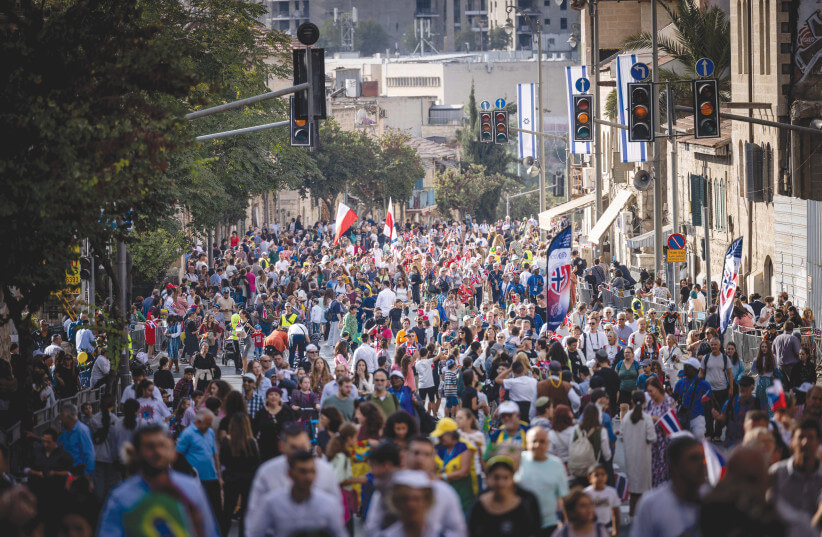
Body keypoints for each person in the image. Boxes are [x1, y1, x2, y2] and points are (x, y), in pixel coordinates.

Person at [97, 424, 220, 537]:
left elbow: (209, 532)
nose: (157, 452)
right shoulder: (121, 497)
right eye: (150, 447)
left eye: (162, 445)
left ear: (172, 451)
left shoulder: (191, 489)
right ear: (136, 454)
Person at [246, 425, 341, 517]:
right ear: (281, 447)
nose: (298, 452)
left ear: (309, 446)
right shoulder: (266, 473)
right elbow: (255, 511)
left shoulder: (326, 471)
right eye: (293, 448)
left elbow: (335, 507)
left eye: (302, 448)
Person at [631, 435, 705, 537]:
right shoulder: (651, 505)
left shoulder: (713, 499)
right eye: (693, 459)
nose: (701, 464)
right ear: (674, 465)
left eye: (703, 458)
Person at [468, 455, 541, 537]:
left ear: (512, 479)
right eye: (496, 477)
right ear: (489, 478)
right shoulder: (480, 504)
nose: (500, 483)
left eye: (505, 478)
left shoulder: (527, 502)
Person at [514, 427, 569, 537]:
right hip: (521, 524)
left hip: (548, 525)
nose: (538, 445)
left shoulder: (557, 465)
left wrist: (567, 524)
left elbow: (565, 497)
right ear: (527, 443)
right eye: (534, 441)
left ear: (548, 443)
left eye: (542, 441)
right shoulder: (518, 460)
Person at [769, 418, 822, 518]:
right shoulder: (776, 473)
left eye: (811, 437)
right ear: (791, 442)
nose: (805, 442)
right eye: (800, 437)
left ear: (818, 442)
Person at [219, 412, 260, 537]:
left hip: (231, 478)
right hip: (248, 479)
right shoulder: (251, 442)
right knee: (246, 513)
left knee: (227, 512)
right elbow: (257, 462)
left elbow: (223, 460)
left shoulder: (227, 440)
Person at [176, 408, 222, 519]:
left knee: (215, 511)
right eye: (208, 423)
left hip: (211, 477)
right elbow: (178, 456)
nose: (210, 426)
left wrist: (219, 476)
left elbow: (214, 454)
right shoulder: (187, 434)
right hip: (194, 479)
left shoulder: (210, 432)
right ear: (199, 421)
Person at [620, 390, 656, 515]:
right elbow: (652, 437)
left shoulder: (626, 418)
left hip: (630, 457)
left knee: (633, 487)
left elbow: (622, 436)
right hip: (644, 457)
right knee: (644, 488)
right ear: (645, 403)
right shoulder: (647, 418)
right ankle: (643, 515)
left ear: (631, 401)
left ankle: (632, 513)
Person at [431, 419, 477, 514]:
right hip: (443, 495)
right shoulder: (438, 447)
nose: (439, 438)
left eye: (441, 435)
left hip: (463, 495)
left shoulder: (465, 447)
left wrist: (442, 477)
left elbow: (464, 472)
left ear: (451, 434)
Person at [376, 470, 438, 537]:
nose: (411, 505)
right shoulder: (386, 535)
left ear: (427, 501)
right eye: (405, 499)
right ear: (396, 503)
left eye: (416, 499)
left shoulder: (442, 534)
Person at [699, 337, 734, 442]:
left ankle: (717, 434)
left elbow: (729, 373)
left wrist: (731, 387)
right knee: (708, 413)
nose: (713, 347)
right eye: (712, 344)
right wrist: (698, 383)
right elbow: (701, 372)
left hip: (722, 389)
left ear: (719, 346)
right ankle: (709, 433)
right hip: (708, 390)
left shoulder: (724, 358)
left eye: (715, 345)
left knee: (720, 412)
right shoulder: (705, 358)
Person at [711, 375, 761, 447]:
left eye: (745, 386)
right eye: (741, 385)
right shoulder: (730, 402)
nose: (742, 388)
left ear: (752, 388)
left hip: (750, 446)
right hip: (731, 444)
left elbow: (763, 425)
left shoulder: (757, 404)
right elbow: (723, 420)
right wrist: (718, 418)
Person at [253, 386, 297, 460]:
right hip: (265, 447)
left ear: (280, 397)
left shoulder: (287, 411)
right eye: (271, 394)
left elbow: (294, 427)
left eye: (276, 394)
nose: (273, 397)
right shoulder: (261, 413)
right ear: (267, 397)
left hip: (284, 447)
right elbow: (254, 430)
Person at [673, 357, 713, 440]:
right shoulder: (680, 383)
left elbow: (709, 400)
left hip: (698, 417)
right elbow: (674, 399)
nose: (685, 368)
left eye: (688, 366)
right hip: (682, 416)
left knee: (699, 436)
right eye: (686, 366)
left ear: (695, 370)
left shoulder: (704, 385)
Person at [57, 403, 95, 477]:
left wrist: (88, 476)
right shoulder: (66, 432)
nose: (60, 419)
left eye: (62, 416)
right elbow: (56, 443)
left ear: (69, 416)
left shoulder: (82, 431)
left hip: (79, 472)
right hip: (68, 471)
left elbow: (89, 454)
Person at [584, 465, 621, 536]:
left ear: (606, 477)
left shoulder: (611, 492)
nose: (600, 478)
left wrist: (616, 531)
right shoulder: (586, 493)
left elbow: (616, 513)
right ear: (590, 478)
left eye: (603, 475)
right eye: (596, 475)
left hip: (607, 528)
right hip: (591, 529)